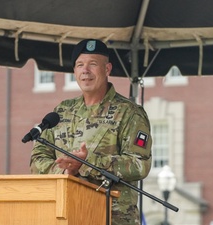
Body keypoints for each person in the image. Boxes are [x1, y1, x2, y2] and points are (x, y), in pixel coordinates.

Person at [30, 39, 152, 225]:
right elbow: (38, 157)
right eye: (80, 65)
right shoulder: (62, 111)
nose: (85, 70)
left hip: (112, 218)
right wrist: (65, 172)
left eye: (93, 64)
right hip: (66, 215)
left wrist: (87, 163)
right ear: (75, 71)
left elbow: (139, 164)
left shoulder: (129, 113)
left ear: (107, 69)